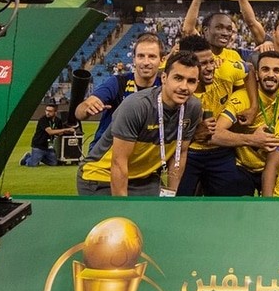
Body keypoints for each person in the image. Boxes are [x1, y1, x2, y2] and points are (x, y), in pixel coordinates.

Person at [77, 51, 202, 196]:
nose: (184, 87)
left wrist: (171, 194)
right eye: (178, 78)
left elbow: (180, 154)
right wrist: (122, 205)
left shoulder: (193, 108)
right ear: (164, 78)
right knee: (122, 212)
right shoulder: (137, 105)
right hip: (101, 175)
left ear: (197, 84)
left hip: (145, 179)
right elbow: (119, 162)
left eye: (191, 81)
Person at [211, 51, 279, 195]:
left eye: (276, 70)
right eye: (265, 69)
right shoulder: (242, 98)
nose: (271, 75)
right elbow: (215, 134)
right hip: (243, 168)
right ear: (256, 74)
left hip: (273, 167)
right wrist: (252, 139)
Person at [177, 34, 247, 196]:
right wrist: (193, 133)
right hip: (188, 153)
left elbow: (249, 69)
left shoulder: (225, 72)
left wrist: (253, 106)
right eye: (203, 64)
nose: (210, 68)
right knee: (179, 201)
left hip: (220, 152)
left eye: (211, 61)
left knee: (228, 202)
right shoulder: (178, 92)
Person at [74, 33, 163, 145]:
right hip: (106, 150)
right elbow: (79, 112)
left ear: (162, 60)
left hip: (140, 151)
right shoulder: (117, 82)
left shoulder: (164, 87)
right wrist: (87, 108)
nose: (146, 62)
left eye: (152, 56)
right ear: (134, 59)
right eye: (141, 56)